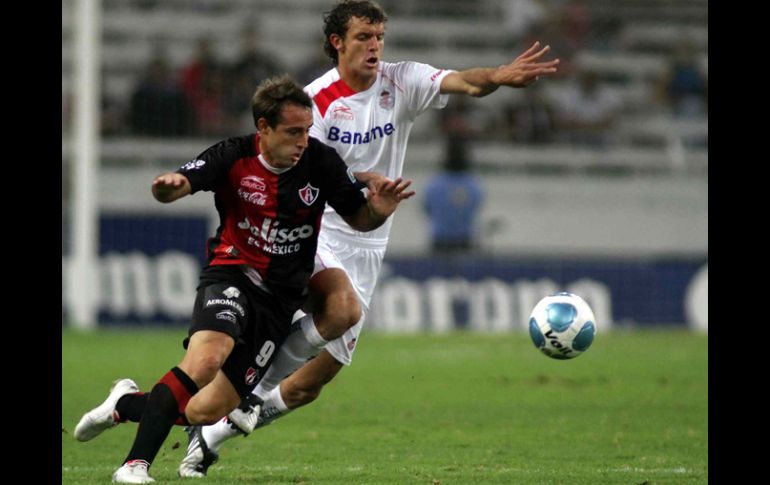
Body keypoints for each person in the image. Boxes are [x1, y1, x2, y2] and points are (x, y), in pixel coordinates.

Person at [180, 0, 559, 477]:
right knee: (332, 310)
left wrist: (500, 75)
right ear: (338, 42)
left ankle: (210, 434)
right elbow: (305, 166)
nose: (375, 46)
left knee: (308, 387)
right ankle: (235, 386)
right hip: (316, 230)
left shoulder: (402, 81)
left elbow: (464, 81)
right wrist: (362, 178)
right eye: (364, 37)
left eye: (379, 37)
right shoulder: (315, 101)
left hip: (368, 235)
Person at [73, 74, 413, 484]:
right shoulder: (232, 156)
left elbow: (360, 218)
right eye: (293, 132)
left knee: (204, 410)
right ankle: (134, 465)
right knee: (206, 358)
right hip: (232, 274)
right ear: (264, 128)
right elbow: (181, 183)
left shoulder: (320, 162)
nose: (303, 140)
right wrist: (169, 188)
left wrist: (380, 210)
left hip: (279, 299)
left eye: (306, 130)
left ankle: (125, 404)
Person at [424, 138, 484, 254]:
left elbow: (427, 209)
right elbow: (477, 206)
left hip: (440, 241)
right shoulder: (473, 184)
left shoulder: (435, 184)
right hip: (464, 241)